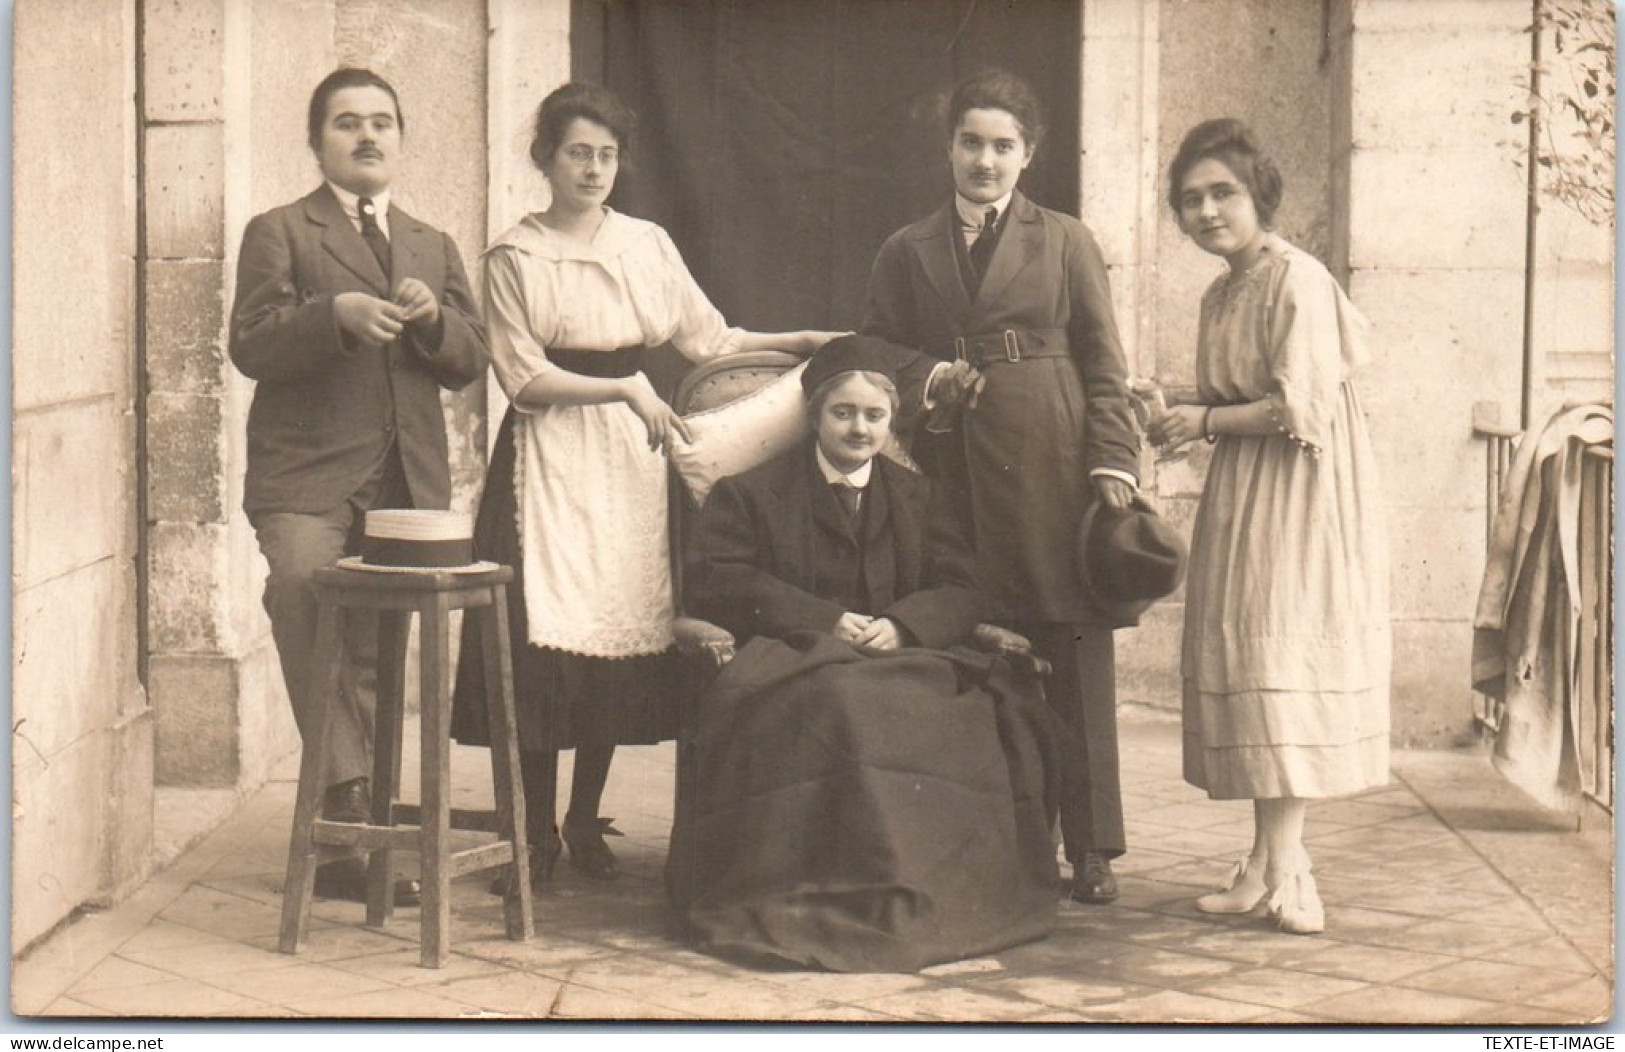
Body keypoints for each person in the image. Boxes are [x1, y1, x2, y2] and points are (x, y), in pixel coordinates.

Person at [450, 83, 835, 887]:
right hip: (547, 459)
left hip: (632, 459)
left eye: (606, 154)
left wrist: (796, 338)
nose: (592, 169)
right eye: (576, 153)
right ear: (544, 160)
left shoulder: (646, 244)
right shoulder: (513, 256)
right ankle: (532, 836)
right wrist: (624, 388)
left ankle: (585, 821)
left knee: (620, 637)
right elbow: (522, 379)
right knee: (543, 640)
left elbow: (711, 337)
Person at [668, 335, 1060, 973]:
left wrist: (905, 625)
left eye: (874, 416)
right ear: (816, 417)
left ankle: (929, 894)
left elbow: (963, 586)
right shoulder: (750, 493)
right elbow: (722, 580)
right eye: (842, 413)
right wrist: (826, 620)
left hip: (904, 658)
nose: (858, 428)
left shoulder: (919, 495)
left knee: (953, 710)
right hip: (797, 662)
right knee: (842, 703)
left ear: (892, 421)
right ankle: (850, 889)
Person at [861, 69, 1141, 904]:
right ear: (948, 147)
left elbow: (1104, 362)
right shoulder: (905, 248)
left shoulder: (1064, 240)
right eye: (971, 142)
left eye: (1003, 145)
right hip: (954, 471)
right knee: (977, 648)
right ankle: (1009, 840)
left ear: (1028, 155)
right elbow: (873, 351)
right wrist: (929, 376)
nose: (985, 160)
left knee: (1074, 651)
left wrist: (1112, 460)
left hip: (1053, 461)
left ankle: (1090, 847)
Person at [229, 68, 489, 904]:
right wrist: (332, 316)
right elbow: (252, 345)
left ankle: (352, 850)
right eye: (346, 124)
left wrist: (435, 321)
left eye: (381, 122)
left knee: (378, 654)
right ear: (317, 143)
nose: (366, 136)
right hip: (303, 475)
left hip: (405, 477)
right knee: (301, 590)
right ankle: (344, 794)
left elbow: (471, 361)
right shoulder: (280, 231)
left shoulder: (430, 243)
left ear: (402, 139)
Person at [1150, 118, 1390, 935]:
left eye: (1223, 192)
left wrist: (1204, 422)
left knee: (1280, 657)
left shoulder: (1298, 279)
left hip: (1302, 487)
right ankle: (1261, 862)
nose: (1208, 211)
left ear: (1257, 194)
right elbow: (1227, 397)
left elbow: (1302, 408)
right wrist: (1179, 414)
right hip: (1248, 486)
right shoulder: (1222, 289)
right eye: (1191, 200)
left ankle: (1293, 869)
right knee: (1255, 665)